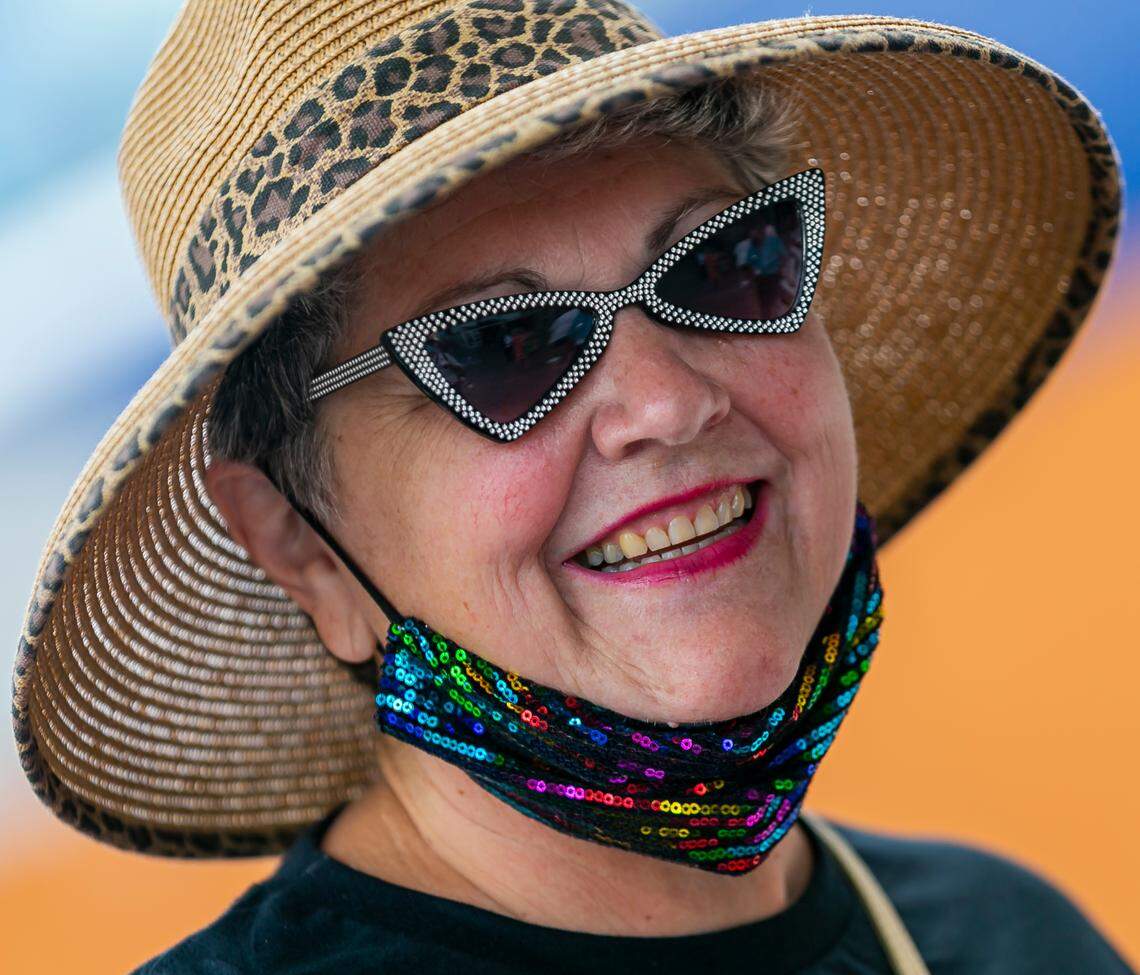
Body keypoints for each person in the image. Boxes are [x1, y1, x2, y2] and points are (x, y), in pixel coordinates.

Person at [9, 1, 1131, 973]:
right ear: (299, 546)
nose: (666, 404)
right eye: (503, 345)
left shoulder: (1008, 941)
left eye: (724, 264)